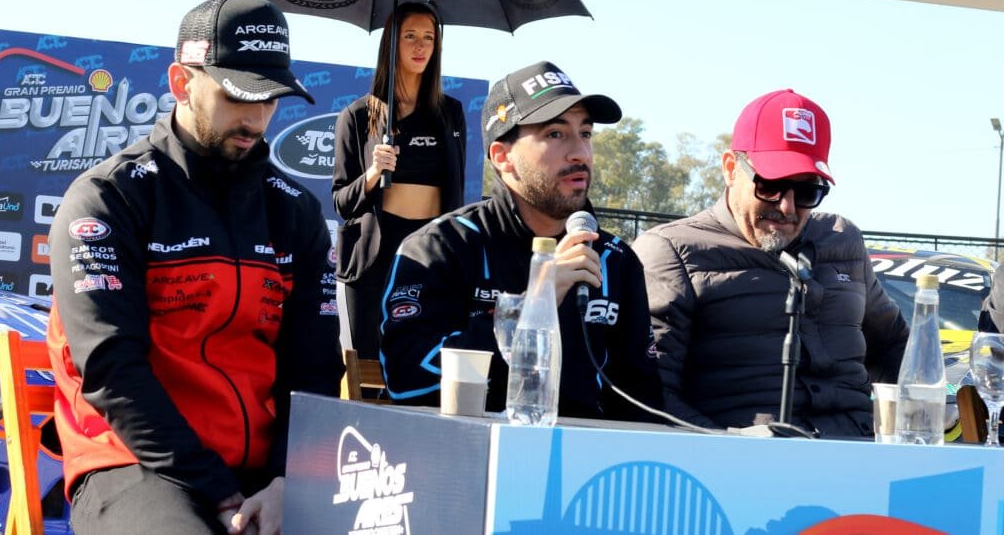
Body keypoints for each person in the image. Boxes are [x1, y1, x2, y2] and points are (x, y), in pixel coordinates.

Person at [46, 0, 343, 535]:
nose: (256, 118)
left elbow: (315, 372)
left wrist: (285, 482)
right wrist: (221, 493)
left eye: (271, 99)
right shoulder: (109, 198)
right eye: (238, 95)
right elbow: (113, 372)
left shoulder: (294, 212)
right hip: (134, 465)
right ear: (182, 82)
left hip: (265, 477)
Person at [379, 61, 663, 421]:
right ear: (503, 158)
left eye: (586, 133)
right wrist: (534, 304)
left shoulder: (614, 259)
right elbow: (408, 382)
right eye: (556, 134)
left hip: (589, 467)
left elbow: (645, 404)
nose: (580, 153)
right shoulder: (440, 247)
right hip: (468, 461)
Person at [632, 89, 909, 438]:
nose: (788, 207)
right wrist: (730, 443)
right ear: (731, 168)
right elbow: (650, 396)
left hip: (862, 457)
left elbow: (897, 346)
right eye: (771, 185)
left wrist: (923, 413)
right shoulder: (671, 252)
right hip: (740, 472)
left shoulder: (843, 240)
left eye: (807, 191)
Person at [332, 1, 466, 359]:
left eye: (428, 37)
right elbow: (341, 201)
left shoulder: (450, 113)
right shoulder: (358, 115)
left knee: (424, 357)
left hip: (430, 252)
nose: (421, 46)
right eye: (410, 37)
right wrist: (374, 174)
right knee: (368, 363)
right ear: (391, 43)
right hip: (375, 253)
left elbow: (456, 192)